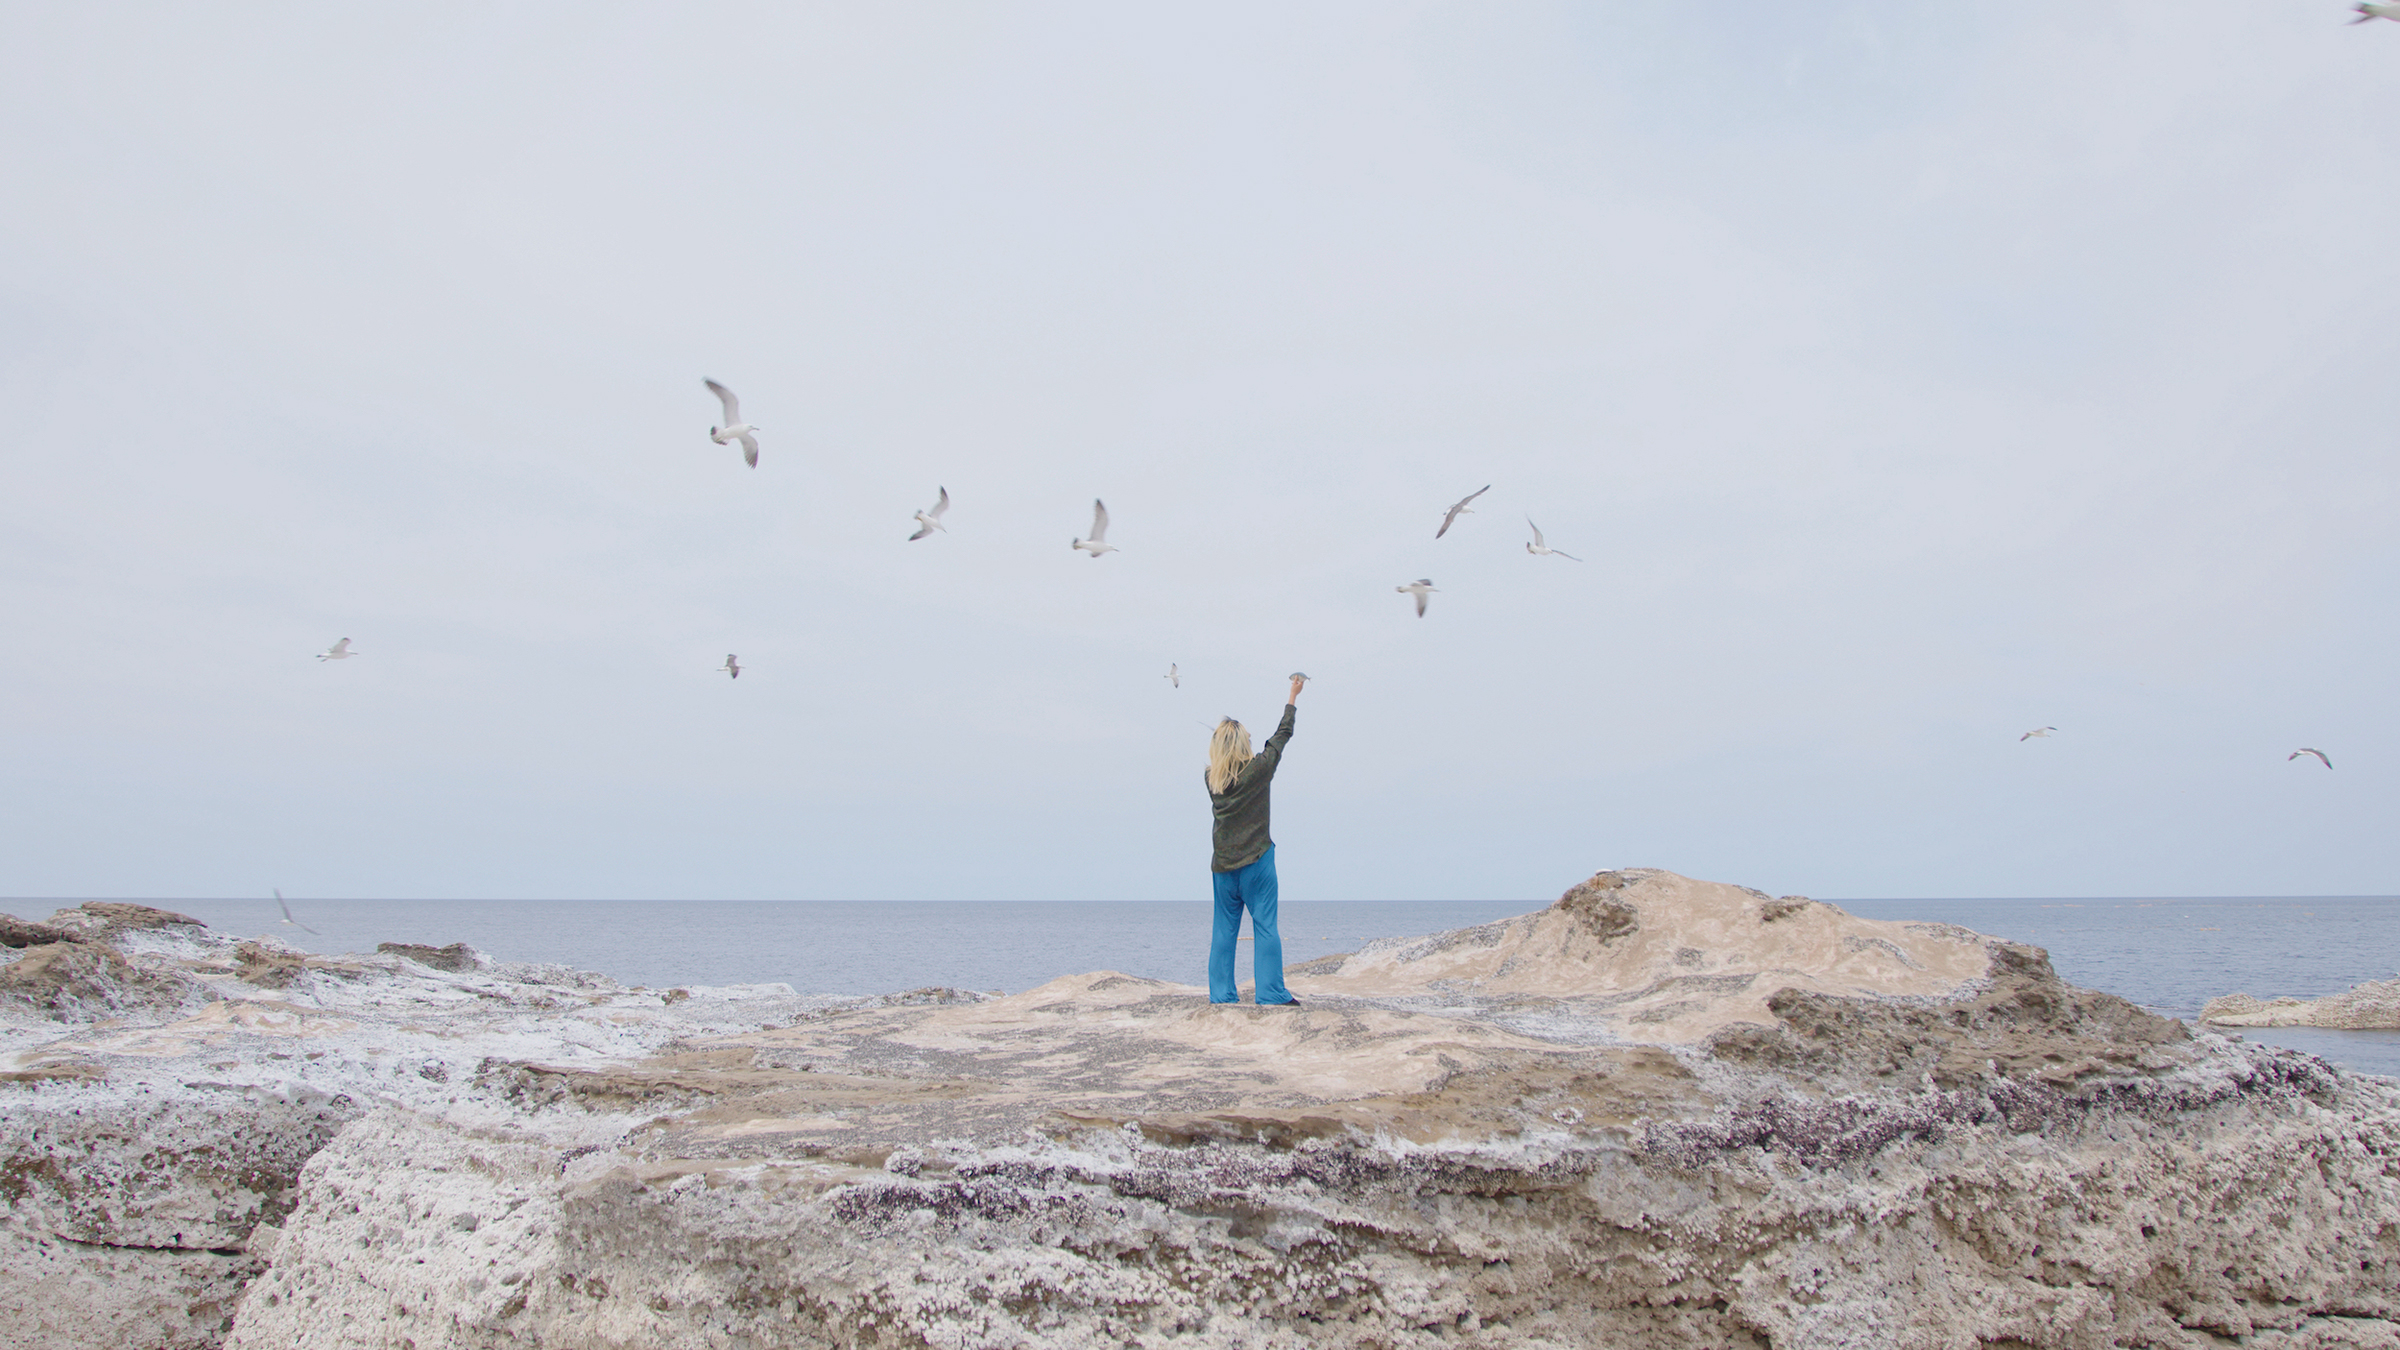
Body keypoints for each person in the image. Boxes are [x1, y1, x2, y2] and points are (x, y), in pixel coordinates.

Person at [1203, 675, 1305, 1005]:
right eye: (1246, 734)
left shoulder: (1211, 779)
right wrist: (1292, 696)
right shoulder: (1259, 769)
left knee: (1223, 933)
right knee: (1265, 927)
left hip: (1223, 869)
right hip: (1257, 864)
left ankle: (1221, 996)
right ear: (1243, 744)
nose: (1250, 735)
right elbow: (1281, 736)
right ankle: (1271, 994)